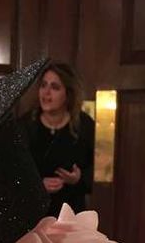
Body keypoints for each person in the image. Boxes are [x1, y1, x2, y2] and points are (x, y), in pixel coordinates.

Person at [19, 62, 95, 216]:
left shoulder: (85, 125)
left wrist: (78, 179)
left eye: (54, 87)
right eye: (43, 85)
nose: (46, 93)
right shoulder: (25, 125)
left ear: (68, 93)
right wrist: (37, 185)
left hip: (71, 213)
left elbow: (97, 173)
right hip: (34, 214)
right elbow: (14, 173)